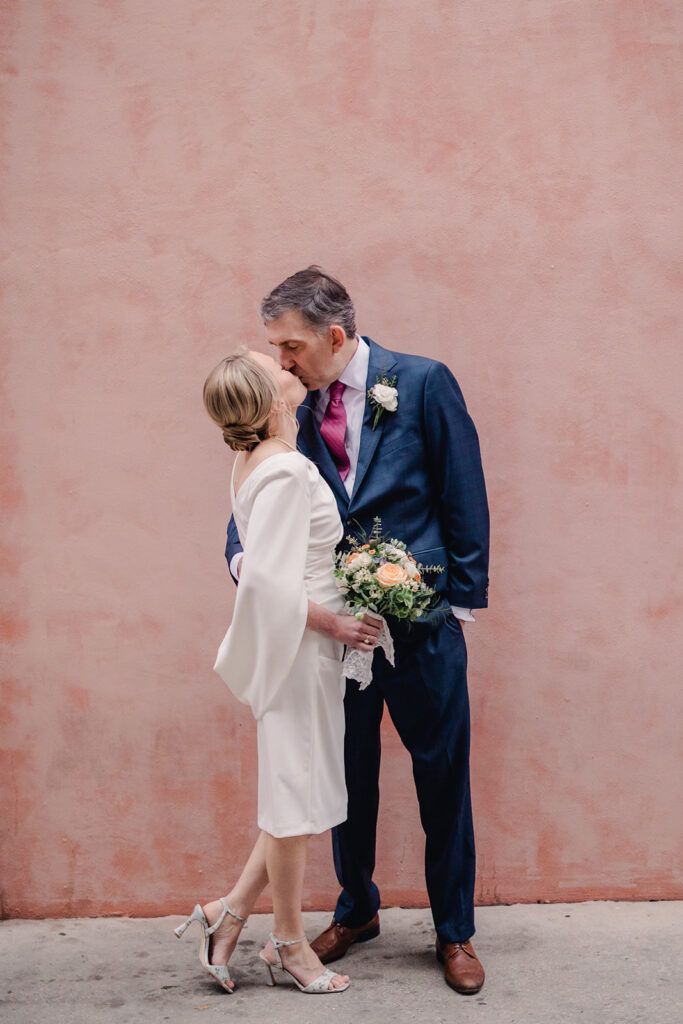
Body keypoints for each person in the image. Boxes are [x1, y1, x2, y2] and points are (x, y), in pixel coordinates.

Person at [226, 268, 490, 995]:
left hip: (423, 626)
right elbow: (244, 520)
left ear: (334, 338)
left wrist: (456, 608)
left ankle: (454, 930)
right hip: (333, 640)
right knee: (345, 780)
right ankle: (356, 907)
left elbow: (461, 490)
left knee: (442, 778)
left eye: (290, 346)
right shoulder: (289, 407)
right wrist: (250, 570)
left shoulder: (424, 382)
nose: (280, 361)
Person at [174, 349, 382, 996]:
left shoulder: (251, 459)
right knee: (293, 804)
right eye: (277, 367)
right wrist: (338, 624)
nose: (289, 365)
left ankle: (226, 913)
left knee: (296, 793)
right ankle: (288, 945)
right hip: (299, 654)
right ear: (273, 402)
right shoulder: (287, 470)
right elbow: (264, 584)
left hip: (296, 654)